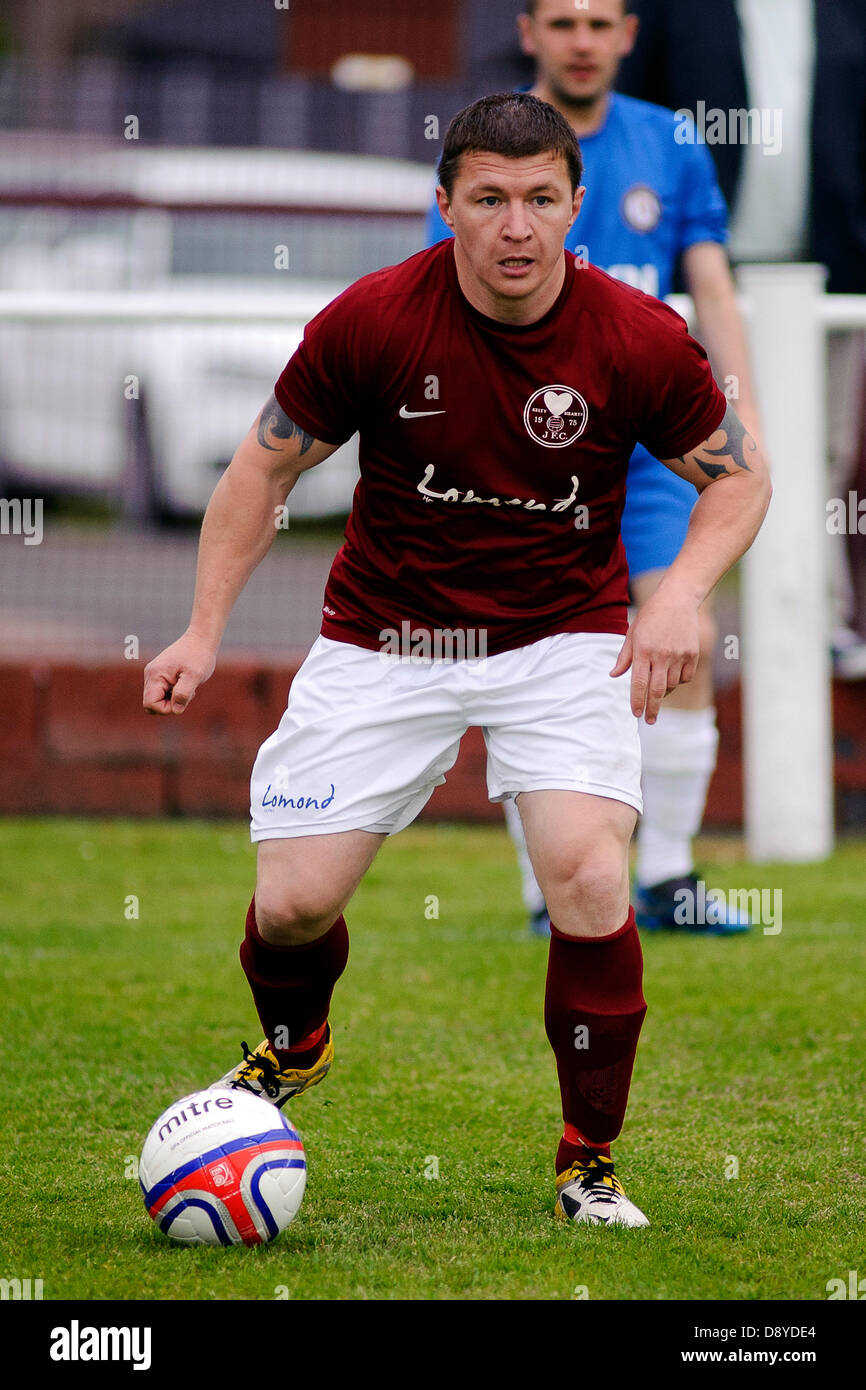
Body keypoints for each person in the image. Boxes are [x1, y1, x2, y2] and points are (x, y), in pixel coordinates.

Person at [143, 93, 770, 1228]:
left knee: (585, 874)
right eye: (487, 198)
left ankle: (588, 1160)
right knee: (288, 906)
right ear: (445, 207)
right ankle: (295, 1048)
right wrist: (200, 630)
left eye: (538, 199)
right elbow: (258, 475)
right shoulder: (376, 319)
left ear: (576, 208)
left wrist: (677, 593)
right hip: (388, 635)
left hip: (561, 637)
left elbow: (739, 476)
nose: (514, 226)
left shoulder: (631, 336)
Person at [427, 0, 763, 937]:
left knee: (682, 635)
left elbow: (713, 289)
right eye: (563, 21)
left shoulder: (673, 141)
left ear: (628, 36)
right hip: (525, 455)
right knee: (523, 665)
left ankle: (668, 877)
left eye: (600, 21)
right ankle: (548, 893)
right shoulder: (488, 149)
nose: (583, 38)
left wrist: (743, 412)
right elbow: (444, 299)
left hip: (648, 450)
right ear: (530, 32)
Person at [617, 0, 866, 677]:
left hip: (831, 271)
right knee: (675, 453)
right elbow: (629, 110)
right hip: (692, 275)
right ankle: (657, 616)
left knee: (824, 452)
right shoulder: (678, 12)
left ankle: (814, 622)